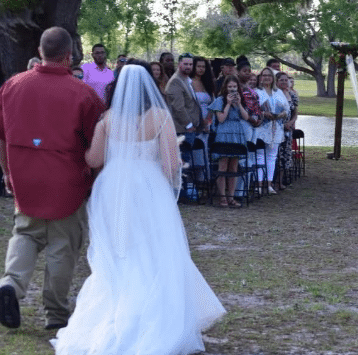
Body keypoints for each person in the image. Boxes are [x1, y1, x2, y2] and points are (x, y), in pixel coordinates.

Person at [51, 64, 225, 353]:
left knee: (120, 252)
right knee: (153, 250)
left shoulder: (107, 119)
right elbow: (171, 165)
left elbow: (93, 160)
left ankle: (116, 312)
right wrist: (168, 178)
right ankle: (152, 316)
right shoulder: (159, 117)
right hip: (148, 188)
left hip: (113, 189)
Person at [0, 27, 105, 330]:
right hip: (66, 180)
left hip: (24, 175)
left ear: (40, 50)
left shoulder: (12, 85)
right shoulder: (82, 93)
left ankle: (11, 284)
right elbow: (94, 144)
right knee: (63, 245)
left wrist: (7, 171)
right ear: (69, 56)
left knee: (26, 233)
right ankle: (55, 314)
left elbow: (2, 136)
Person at [208, 75, 250, 208]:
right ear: (225, 87)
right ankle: (222, 197)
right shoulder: (220, 100)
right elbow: (220, 119)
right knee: (223, 166)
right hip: (223, 133)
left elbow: (246, 117)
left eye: (234, 86)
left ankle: (231, 197)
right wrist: (228, 103)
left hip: (237, 134)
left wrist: (238, 104)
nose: (232, 89)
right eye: (230, 86)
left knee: (233, 167)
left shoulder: (240, 100)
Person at [254, 67, 289, 194]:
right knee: (259, 156)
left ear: (272, 78)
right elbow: (252, 109)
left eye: (269, 75)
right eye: (264, 75)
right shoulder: (256, 91)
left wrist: (281, 114)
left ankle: (268, 184)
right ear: (261, 77)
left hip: (276, 127)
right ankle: (258, 184)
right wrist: (263, 113)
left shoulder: (278, 92)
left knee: (271, 157)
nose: (266, 78)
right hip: (261, 127)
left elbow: (287, 109)